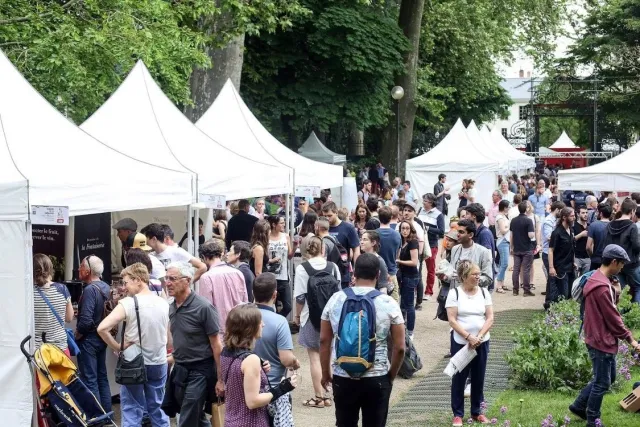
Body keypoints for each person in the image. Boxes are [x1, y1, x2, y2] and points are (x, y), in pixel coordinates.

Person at [319, 254, 405, 427]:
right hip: (377, 376)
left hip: (343, 374)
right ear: (378, 274)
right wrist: (391, 376)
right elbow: (400, 347)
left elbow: (323, 341)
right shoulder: (388, 303)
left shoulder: (336, 299)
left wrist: (326, 373)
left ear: (354, 274)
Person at [569, 245, 640, 427]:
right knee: (601, 383)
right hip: (601, 340)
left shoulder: (597, 278)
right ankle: (593, 420)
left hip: (596, 336)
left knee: (609, 378)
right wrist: (630, 339)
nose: (622, 267)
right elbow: (613, 318)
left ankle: (578, 405)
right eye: (622, 264)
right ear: (614, 262)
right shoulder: (601, 287)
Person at [97, 263, 170, 427]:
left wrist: (117, 347)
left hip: (133, 363)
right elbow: (168, 335)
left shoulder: (128, 303)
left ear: (138, 280)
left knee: (132, 410)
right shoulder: (163, 303)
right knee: (158, 409)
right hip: (158, 361)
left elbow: (102, 328)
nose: (125, 287)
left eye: (126, 282)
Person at [161, 262, 223, 427]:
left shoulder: (204, 307)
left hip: (200, 371)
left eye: (172, 279)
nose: (167, 283)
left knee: (187, 419)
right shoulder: (172, 306)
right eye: (166, 278)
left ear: (187, 280)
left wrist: (221, 378)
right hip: (180, 370)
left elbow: (217, 345)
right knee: (195, 416)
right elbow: (182, 339)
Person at [220, 304, 298, 427]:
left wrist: (259, 369)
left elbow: (237, 379)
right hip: (251, 422)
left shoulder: (226, 352)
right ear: (249, 328)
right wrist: (283, 388)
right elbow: (253, 401)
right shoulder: (251, 360)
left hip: (231, 420)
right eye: (259, 322)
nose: (263, 324)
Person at [446, 260, 494, 426]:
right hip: (461, 342)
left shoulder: (483, 292)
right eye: (474, 274)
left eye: (478, 274)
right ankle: (458, 414)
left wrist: (479, 336)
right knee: (459, 378)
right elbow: (452, 320)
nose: (478, 277)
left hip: (482, 341)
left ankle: (477, 412)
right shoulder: (455, 294)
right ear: (464, 277)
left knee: (479, 377)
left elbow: (490, 317)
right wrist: (468, 337)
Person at [294, 238, 340, 408]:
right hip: (331, 318)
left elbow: (300, 297)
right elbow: (339, 293)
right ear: (322, 249)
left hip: (310, 317)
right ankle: (331, 394)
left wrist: (297, 317)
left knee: (314, 357)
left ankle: (319, 397)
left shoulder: (302, 269)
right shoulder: (333, 267)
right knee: (329, 356)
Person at [253, 273, 300, 424]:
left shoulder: (241, 315)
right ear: (275, 295)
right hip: (272, 389)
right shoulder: (280, 322)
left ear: (253, 293)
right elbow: (286, 359)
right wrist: (295, 362)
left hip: (245, 387)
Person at [75, 254, 112, 413]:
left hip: (89, 339)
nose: (79, 269)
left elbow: (85, 321)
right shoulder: (105, 286)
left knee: (90, 379)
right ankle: (107, 413)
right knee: (102, 377)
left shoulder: (90, 290)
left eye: (81, 267)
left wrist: (78, 334)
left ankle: (96, 416)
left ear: (88, 270)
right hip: (101, 338)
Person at [198, 240, 248, 336]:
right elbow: (245, 301)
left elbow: (206, 310)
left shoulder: (206, 277)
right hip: (240, 328)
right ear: (221, 254)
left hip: (220, 332)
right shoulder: (238, 273)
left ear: (204, 257)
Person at [33, 254, 74, 353]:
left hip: (40, 352)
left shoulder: (29, 293)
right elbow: (69, 318)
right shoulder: (62, 289)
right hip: (60, 348)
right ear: (50, 268)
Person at [141, 223, 207, 281]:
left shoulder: (176, 251)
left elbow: (203, 267)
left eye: (145, 240)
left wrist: (187, 283)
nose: (144, 243)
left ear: (154, 239)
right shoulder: (150, 256)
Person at [604, 198, 640, 303]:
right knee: (638, 287)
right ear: (632, 211)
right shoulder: (632, 226)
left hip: (615, 263)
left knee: (622, 289)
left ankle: (621, 315)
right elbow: (636, 246)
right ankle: (637, 313)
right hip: (631, 263)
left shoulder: (610, 224)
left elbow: (606, 244)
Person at [322, 202, 360, 288]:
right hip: (325, 271)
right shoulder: (322, 227)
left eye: (329, 215)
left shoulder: (348, 228)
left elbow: (356, 249)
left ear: (336, 212)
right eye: (324, 216)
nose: (327, 218)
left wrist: (356, 270)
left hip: (343, 272)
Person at [447, 220, 493, 289]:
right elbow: (451, 273)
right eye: (458, 231)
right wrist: (445, 276)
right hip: (456, 294)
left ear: (471, 235)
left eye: (461, 232)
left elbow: (488, 278)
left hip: (473, 296)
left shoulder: (483, 252)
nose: (458, 234)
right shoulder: (454, 249)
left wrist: (469, 280)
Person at [419, 193, 445, 300]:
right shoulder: (420, 211)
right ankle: (417, 290)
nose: (423, 202)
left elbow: (442, 232)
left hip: (431, 245)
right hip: (420, 243)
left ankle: (428, 292)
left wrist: (428, 228)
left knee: (430, 269)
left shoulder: (438, 215)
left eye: (425, 201)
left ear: (431, 202)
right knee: (417, 268)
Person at [396, 220, 420, 339]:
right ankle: (403, 329)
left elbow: (414, 262)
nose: (404, 231)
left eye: (407, 228)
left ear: (411, 230)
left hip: (411, 276)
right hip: (403, 276)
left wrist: (399, 261)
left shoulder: (413, 242)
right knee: (402, 304)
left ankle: (410, 332)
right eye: (403, 228)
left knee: (409, 305)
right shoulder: (401, 242)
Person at [267, 215, 294, 317]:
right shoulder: (266, 236)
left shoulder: (285, 236)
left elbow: (290, 256)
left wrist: (295, 247)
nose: (284, 225)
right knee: (270, 306)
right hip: (270, 276)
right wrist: (271, 260)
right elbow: (264, 257)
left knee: (288, 306)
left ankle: (278, 319)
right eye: (282, 223)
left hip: (283, 276)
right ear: (274, 224)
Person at [549, 207, 576, 303]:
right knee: (563, 293)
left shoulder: (571, 230)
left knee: (570, 292)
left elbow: (571, 248)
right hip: (561, 267)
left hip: (570, 266)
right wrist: (551, 267)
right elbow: (551, 250)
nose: (574, 218)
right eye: (572, 216)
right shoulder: (557, 232)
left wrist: (574, 261)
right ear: (564, 217)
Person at [402, 201, 426, 308]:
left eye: (409, 211)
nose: (406, 213)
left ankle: (419, 301)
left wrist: (414, 254)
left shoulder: (418, 226)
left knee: (417, 278)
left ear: (414, 213)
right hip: (402, 265)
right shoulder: (400, 224)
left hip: (413, 260)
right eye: (405, 210)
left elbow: (420, 248)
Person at [510, 201, 536, 297]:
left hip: (516, 248)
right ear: (526, 209)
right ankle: (526, 290)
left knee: (516, 269)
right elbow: (531, 235)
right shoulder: (529, 220)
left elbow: (511, 235)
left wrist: (511, 247)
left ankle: (515, 290)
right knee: (526, 270)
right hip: (527, 248)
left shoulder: (513, 220)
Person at [377, 206, 402, 301]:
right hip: (391, 272)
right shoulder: (397, 235)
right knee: (394, 303)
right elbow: (397, 255)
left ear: (379, 217)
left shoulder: (373, 234)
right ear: (391, 217)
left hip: (376, 274)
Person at [587, 203, 613, 271]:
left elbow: (588, 247)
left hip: (596, 260)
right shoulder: (614, 226)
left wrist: (592, 256)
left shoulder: (593, 225)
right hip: (610, 260)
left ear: (601, 213)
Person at [494, 200, 511, 294]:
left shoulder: (503, 216)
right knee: (504, 264)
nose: (509, 208)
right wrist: (510, 226)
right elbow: (503, 230)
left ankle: (502, 283)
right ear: (504, 207)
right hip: (502, 240)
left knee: (502, 263)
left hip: (505, 241)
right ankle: (499, 285)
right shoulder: (500, 217)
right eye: (508, 207)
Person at [574, 206, 591, 277]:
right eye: (583, 213)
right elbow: (570, 240)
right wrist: (580, 235)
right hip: (577, 257)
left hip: (587, 257)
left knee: (585, 280)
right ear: (578, 214)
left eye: (586, 212)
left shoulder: (590, 226)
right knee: (575, 279)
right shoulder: (573, 226)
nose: (585, 214)